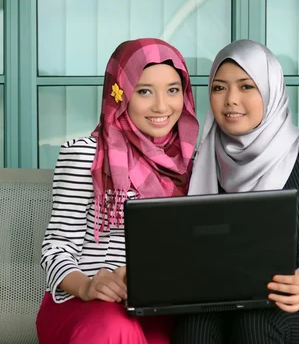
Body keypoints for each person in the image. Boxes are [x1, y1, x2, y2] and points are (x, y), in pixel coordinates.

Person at [171, 39, 299, 344]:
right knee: (193, 329)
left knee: (256, 326)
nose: (230, 100)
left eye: (246, 86)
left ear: (270, 89)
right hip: (224, 303)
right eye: (219, 88)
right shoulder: (202, 158)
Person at [36, 38, 200, 344]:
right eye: (144, 91)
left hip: (158, 309)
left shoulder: (196, 163)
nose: (161, 106)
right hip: (85, 306)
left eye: (172, 90)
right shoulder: (86, 155)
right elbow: (56, 249)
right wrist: (86, 286)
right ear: (121, 94)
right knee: (115, 329)